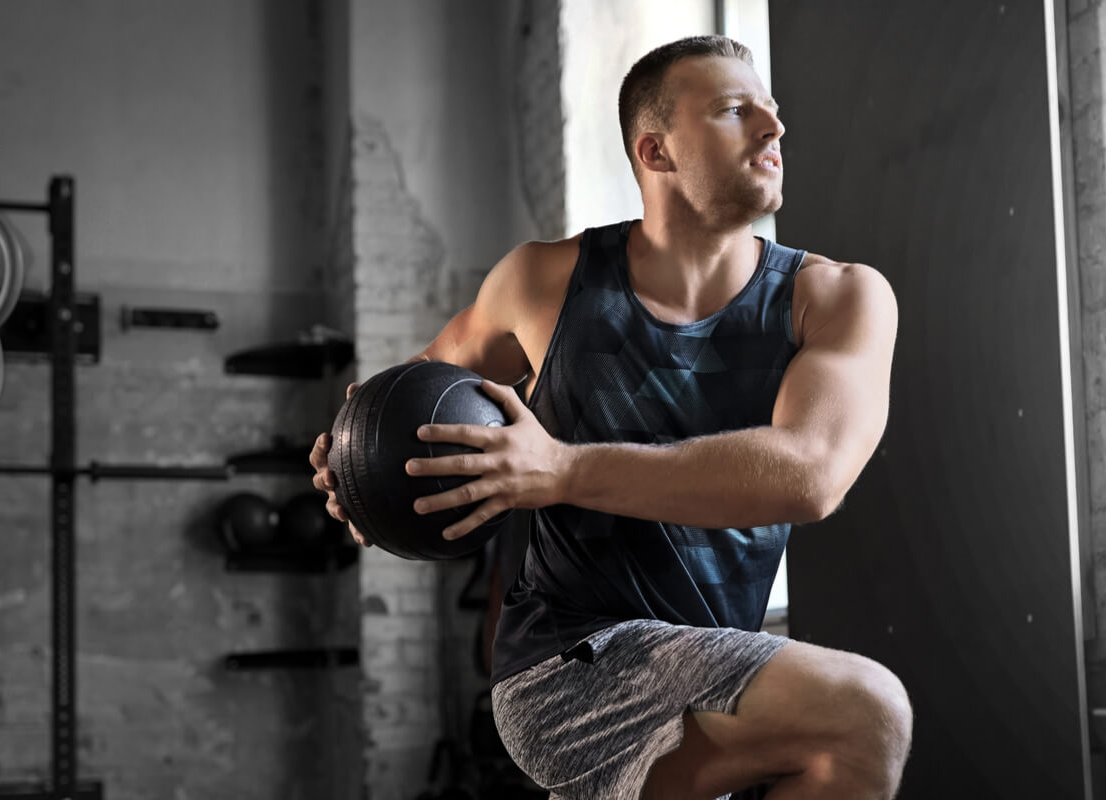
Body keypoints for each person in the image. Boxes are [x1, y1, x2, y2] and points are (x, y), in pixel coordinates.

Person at [309, 35, 910, 800]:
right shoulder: (543, 283)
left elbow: (811, 475)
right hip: (565, 667)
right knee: (866, 714)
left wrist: (561, 470)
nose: (772, 128)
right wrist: (356, 473)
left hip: (709, 669)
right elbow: (411, 410)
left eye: (772, 111)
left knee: (845, 743)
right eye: (734, 111)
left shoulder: (835, 299)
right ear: (655, 151)